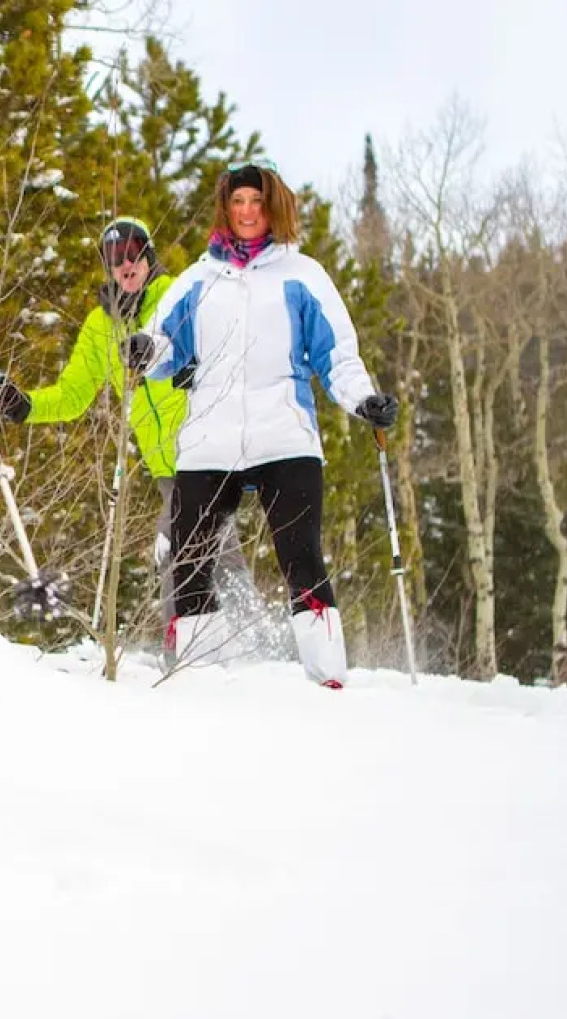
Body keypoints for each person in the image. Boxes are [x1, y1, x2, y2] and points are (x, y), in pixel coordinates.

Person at [126, 159, 398, 687]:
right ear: (225, 210)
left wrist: (364, 400)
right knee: (190, 553)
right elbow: (162, 341)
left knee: (300, 553)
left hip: (285, 435)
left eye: (256, 202)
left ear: (273, 207)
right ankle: (198, 672)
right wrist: (145, 350)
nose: (247, 212)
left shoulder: (302, 276)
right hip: (210, 438)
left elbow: (337, 356)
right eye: (237, 203)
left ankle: (328, 677)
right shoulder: (199, 279)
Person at [0, 217, 242, 641]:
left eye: (135, 252)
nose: (127, 264)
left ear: (149, 255)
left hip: (205, 446)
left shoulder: (176, 297)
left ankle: (212, 650)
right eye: (116, 258)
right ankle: (229, 648)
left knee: (182, 546)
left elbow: (219, 343)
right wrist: (24, 406)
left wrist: (187, 366)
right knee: (205, 552)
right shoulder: (100, 327)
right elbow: (72, 395)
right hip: (165, 467)